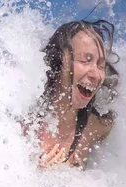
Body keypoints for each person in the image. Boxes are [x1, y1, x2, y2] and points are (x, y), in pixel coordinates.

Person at [25, 19, 119, 169]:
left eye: (100, 65)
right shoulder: (26, 128)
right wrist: (36, 173)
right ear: (59, 62)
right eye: (85, 60)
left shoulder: (99, 128)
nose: (96, 74)